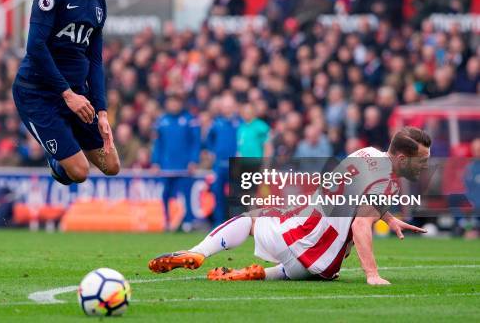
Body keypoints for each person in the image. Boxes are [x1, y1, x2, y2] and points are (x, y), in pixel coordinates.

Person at [148, 127, 430, 285]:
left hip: (300, 237)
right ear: (402, 159)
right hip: (324, 266)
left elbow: (360, 194)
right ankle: (257, 273)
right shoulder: (388, 183)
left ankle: (199, 253)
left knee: (251, 220)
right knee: (281, 249)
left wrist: (388, 218)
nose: (425, 165)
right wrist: (372, 275)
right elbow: (359, 223)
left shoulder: (365, 153)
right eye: (422, 160)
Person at [12, 0, 123, 185]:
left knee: (112, 165)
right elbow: (36, 46)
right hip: (37, 94)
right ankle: (57, 159)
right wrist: (68, 95)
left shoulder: (98, 3)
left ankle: (67, 141)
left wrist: (102, 112)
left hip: (77, 97)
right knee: (79, 172)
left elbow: (95, 61)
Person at [151, 94, 201, 230]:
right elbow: (157, 143)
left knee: (186, 194)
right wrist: (155, 161)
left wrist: (193, 160)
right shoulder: (161, 121)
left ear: (181, 104)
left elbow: (195, 142)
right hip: (166, 165)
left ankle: (188, 222)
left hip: (184, 165)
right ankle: (167, 221)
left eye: (176, 102)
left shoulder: (190, 120)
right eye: (171, 102)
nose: (173, 105)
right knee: (165, 194)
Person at [205, 94, 240, 226]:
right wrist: (211, 151)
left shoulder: (240, 123)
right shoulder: (216, 123)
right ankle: (218, 223)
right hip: (219, 165)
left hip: (236, 165)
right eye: (225, 106)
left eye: (230, 106)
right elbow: (209, 139)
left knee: (236, 195)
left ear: (235, 107)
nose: (228, 109)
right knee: (217, 193)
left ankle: (237, 224)